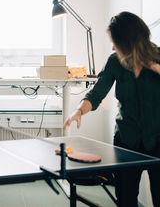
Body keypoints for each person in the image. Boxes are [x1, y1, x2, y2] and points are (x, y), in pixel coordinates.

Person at [63, 11, 160, 207]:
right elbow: (96, 94)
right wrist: (79, 111)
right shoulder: (115, 61)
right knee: (125, 199)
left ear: (127, 40)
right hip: (126, 141)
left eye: (115, 41)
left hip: (158, 141)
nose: (113, 46)